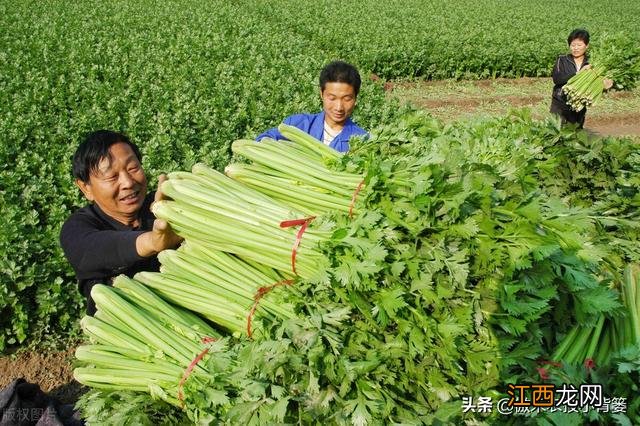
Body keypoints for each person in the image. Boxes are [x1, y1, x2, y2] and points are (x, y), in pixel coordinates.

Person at [60, 130, 182, 314]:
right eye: (111, 177)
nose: (127, 182)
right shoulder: (78, 228)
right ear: (86, 188)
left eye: (133, 168)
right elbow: (95, 249)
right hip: (130, 333)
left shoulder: (163, 205)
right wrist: (153, 241)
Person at [256, 60, 367, 152]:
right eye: (332, 98)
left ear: (355, 98)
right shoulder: (298, 125)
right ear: (321, 94)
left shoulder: (363, 141)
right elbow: (263, 141)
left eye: (347, 99)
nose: (339, 107)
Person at [550, 28, 613, 128]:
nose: (575, 48)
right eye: (573, 45)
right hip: (560, 103)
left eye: (579, 45)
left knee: (575, 134)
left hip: (579, 106)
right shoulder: (562, 59)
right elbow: (557, 79)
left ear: (587, 46)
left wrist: (605, 86)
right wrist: (578, 73)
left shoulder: (593, 64)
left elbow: (596, 85)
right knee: (556, 132)